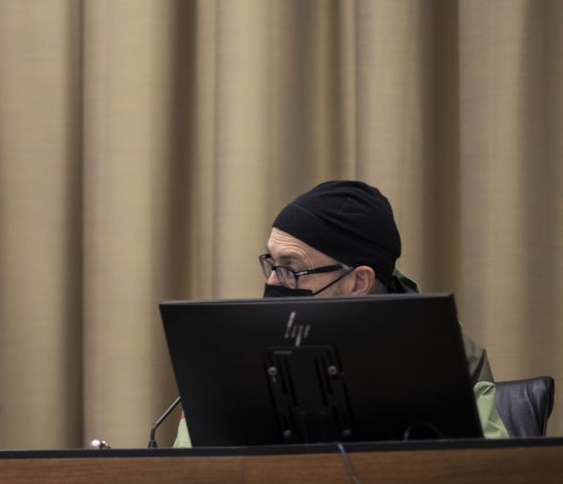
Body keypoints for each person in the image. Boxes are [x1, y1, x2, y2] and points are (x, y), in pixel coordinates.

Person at [173, 180, 508, 446]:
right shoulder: (243, 342)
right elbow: (190, 464)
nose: (274, 281)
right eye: (272, 263)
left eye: (292, 267)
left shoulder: (444, 352)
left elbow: (489, 474)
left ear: (358, 281)